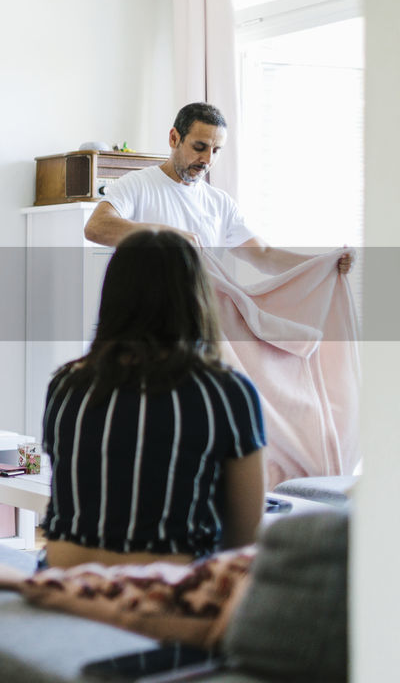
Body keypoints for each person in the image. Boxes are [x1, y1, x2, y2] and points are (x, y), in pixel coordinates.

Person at [41, 230, 267, 569]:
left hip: (63, 581)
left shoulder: (65, 383)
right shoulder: (226, 392)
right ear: (196, 297)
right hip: (159, 594)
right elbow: (244, 538)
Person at [84, 101, 352, 275]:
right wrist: (168, 237)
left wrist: (323, 263)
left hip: (200, 329)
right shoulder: (137, 185)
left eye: (216, 151)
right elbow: (96, 227)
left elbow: (264, 255)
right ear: (174, 138)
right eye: (199, 147)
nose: (207, 160)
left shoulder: (220, 203)